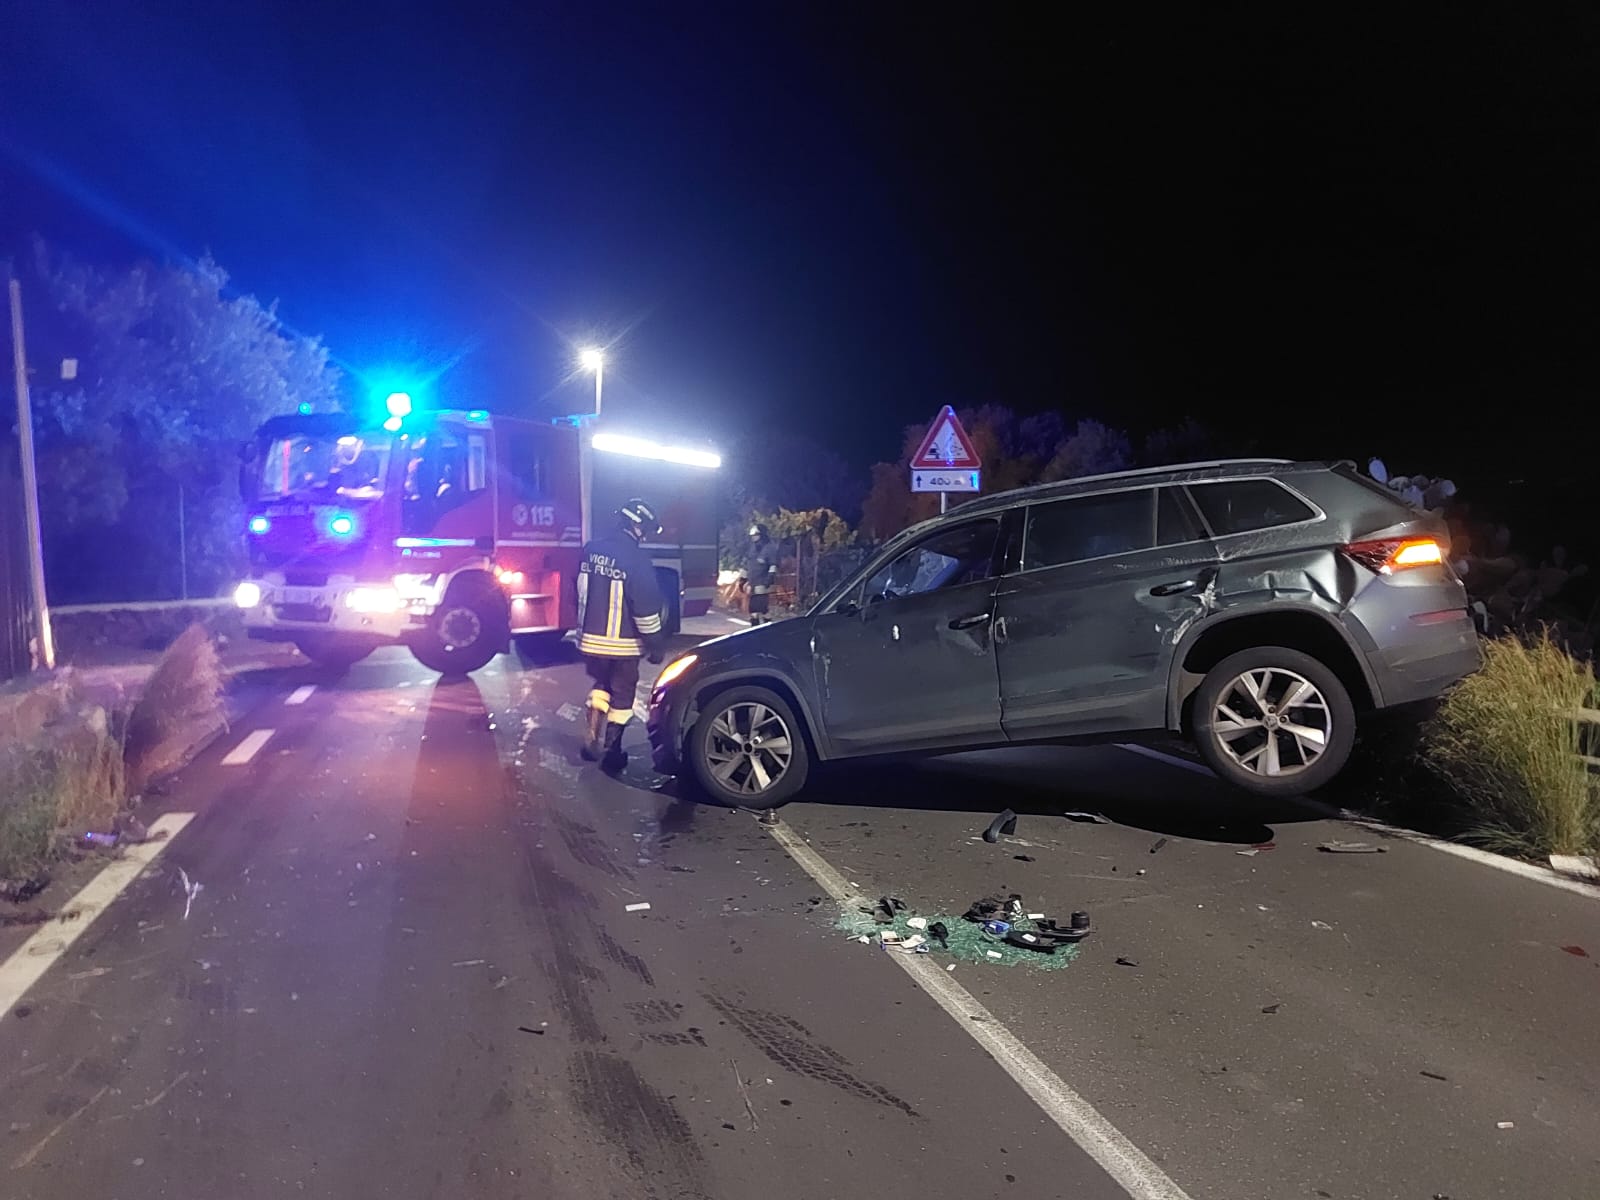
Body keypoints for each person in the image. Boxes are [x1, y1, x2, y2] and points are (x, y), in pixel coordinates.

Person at [577, 498, 667, 768]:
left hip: (591, 641)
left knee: (601, 686)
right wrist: (655, 646)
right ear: (636, 525)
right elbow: (646, 609)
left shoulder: (591, 550)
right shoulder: (636, 559)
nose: (645, 535)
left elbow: (579, 591)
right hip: (624, 645)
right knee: (623, 696)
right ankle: (612, 751)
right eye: (645, 529)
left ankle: (591, 735)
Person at [740, 523, 778, 625]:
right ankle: (757, 629)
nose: (753, 538)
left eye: (755, 535)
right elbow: (746, 564)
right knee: (754, 610)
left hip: (763, 583)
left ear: (762, 535)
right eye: (752, 536)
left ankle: (765, 628)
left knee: (761, 609)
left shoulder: (769, 548)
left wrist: (769, 578)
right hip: (752, 583)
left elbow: (773, 565)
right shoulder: (752, 548)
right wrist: (742, 579)